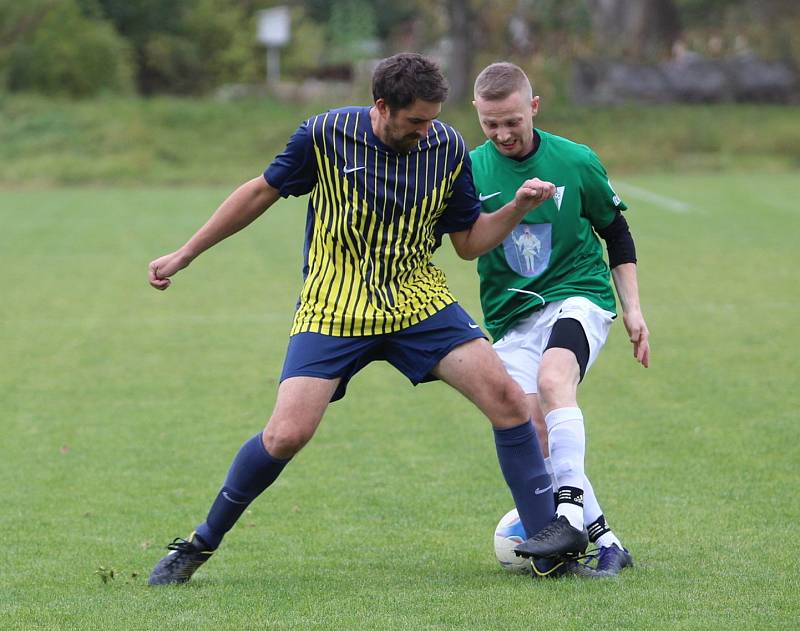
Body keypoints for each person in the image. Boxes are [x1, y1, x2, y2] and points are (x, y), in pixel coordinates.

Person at [146, 53, 589, 585]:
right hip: (334, 305)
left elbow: (469, 243)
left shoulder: (446, 148)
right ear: (382, 107)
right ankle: (199, 543)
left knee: (509, 403)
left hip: (416, 300)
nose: (429, 131)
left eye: (433, 118)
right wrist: (186, 253)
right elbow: (261, 191)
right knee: (286, 435)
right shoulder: (326, 133)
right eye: (416, 121)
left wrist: (516, 206)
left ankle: (551, 554)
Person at [468, 62, 651, 576]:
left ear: (533, 107)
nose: (503, 134)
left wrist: (633, 309)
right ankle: (606, 541)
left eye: (512, 121)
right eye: (490, 124)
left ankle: (566, 516)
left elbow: (617, 233)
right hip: (511, 317)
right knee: (533, 431)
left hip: (579, 296)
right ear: (477, 116)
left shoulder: (575, 160)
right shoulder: (468, 169)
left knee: (555, 380)